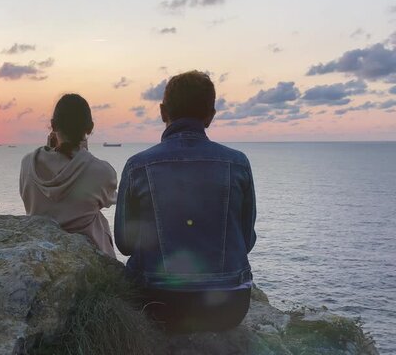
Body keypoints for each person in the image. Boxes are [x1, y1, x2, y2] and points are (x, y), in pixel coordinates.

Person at [114, 71, 256, 332]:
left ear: (162, 111)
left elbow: (124, 243)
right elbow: (246, 241)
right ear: (210, 115)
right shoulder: (238, 163)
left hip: (159, 304)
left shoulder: (138, 166)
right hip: (229, 306)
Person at [20, 94, 118, 258]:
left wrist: (53, 150)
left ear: (52, 125)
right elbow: (109, 199)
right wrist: (83, 154)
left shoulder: (28, 164)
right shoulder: (102, 172)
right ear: (90, 128)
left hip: (43, 252)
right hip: (91, 256)